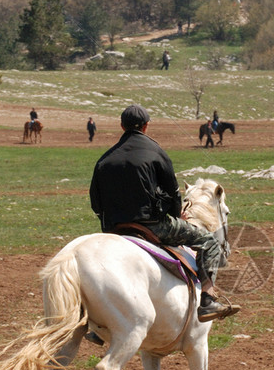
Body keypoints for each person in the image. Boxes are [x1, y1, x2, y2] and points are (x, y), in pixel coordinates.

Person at [89, 104, 239, 323]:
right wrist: (176, 216)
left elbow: (95, 202)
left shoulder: (104, 159)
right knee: (209, 241)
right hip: (151, 225)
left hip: (114, 227)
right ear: (147, 126)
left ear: (122, 126)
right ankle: (207, 299)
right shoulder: (156, 152)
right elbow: (172, 192)